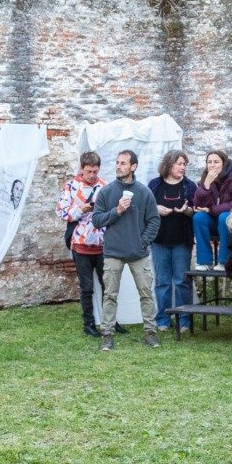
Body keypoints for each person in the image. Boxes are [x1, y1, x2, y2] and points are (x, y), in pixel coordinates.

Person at [91, 149, 161, 350]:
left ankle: (150, 333)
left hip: (138, 253)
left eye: (123, 163)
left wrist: (142, 242)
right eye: (117, 162)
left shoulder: (144, 192)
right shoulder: (106, 192)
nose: (119, 166)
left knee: (146, 293)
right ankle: (107, 335)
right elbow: (96, 220)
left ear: (133, 166)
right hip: (113, 252)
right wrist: (117, 210)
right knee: (110, 295)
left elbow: (154, 221)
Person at [56, 151, 106, 336]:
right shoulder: (71, 186)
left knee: (107, 285)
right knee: (87, 288)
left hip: (102, 243)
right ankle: (89, 324)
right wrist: (80, 210)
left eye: (95, 171)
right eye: (88, 172)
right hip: (80, 243)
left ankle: (110, 321)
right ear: (82, 169)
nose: (92, 175)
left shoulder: (104, 186)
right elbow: (61, 212)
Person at [149, 150, 197, 333]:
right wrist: (156, 208)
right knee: (162, 282)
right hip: (159, 240)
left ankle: (184, 320)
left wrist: (187, 211)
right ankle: (163, 319)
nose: (183, 167)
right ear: (169, 164)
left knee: (182, 281)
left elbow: (196, 211)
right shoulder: (155, 185)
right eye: (179, 163)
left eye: (184, 164)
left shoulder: (189, 186)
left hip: (182, 241)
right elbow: (145, 207)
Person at [192, 150, 232, 270]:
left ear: (224, 163)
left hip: (230, 222)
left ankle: (224, 261)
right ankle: (204, 261)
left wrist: (212, 210)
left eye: (216, 162)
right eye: (209, 162)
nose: (212, 165)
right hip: (213, 222)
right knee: (199, 218)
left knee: (224, 216)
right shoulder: (206, 178)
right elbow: (198, 205)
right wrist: (206, 185)